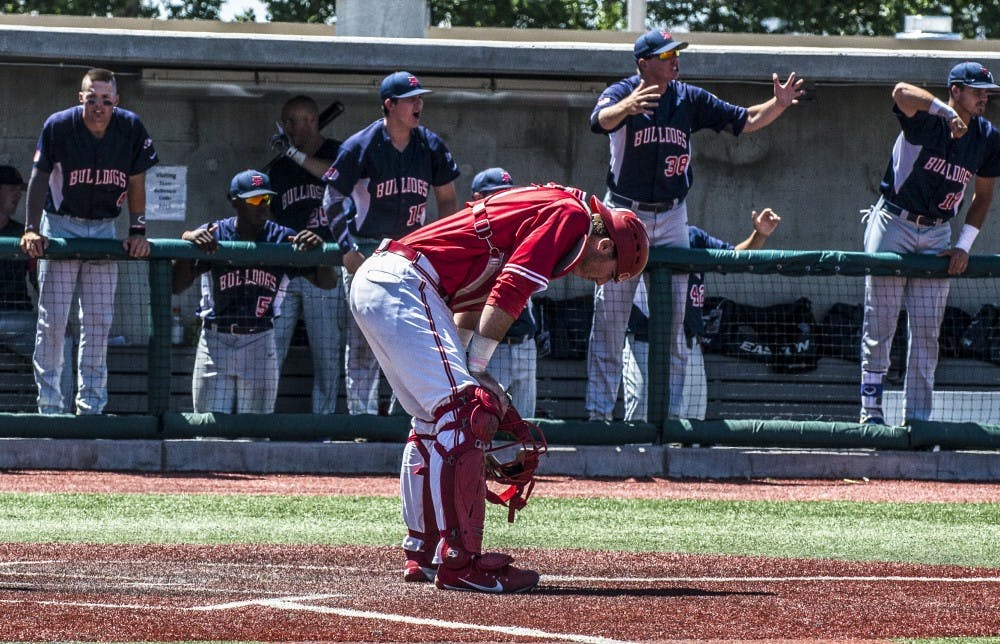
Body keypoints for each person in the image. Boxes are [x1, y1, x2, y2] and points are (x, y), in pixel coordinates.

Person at [348, 183, 648, 593]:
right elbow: (511, 287)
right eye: (612, 274)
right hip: (407, 282)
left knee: (431, 422)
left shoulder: (560, 214)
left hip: (392, 280)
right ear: (605, 246)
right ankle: (461, 561)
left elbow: (477, 297)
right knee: (464, 414)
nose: (604, 284)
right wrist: (476, 371)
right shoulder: (573, 216)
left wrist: (468, 370)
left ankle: (424, 550)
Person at [584, 29, 804, 421]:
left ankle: (670, 419)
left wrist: (780, 104)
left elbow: (746, 119)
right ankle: (599, 417)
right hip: (623, 214)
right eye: (666, 55)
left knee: (674, 328)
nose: (674, 60)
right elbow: (598, 120)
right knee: (610, 323)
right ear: (643, 63)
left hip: (671, 215)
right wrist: (628, 107)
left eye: (676, 54)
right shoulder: (622, 92)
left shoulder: (689, 98)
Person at [859, 62, 1000, 425]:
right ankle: (870, 413)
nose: (984, 96)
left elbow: (982, 196)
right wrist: (945, 111)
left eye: (986, 90)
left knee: (926, 333)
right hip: (895, 221)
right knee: (881, 325)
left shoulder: (987, 137)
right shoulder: (927, 119)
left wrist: (964, 244)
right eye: (975, 89)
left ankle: (917, 420)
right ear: (955, 90)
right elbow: (900, 91)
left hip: (938, 231)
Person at [20, 67, 158, 415]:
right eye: (91, 99)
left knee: (98, 323)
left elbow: (136, 181)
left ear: (116, 102)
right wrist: (31, 227)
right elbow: (38, 179)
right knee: (53, 322)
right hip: (61, 225)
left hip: (104, 228)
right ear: (80, 98)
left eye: (106, 100)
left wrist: (138, 230)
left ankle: (91, 407)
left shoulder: (130, 127)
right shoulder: (59, 125)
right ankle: (50, 405)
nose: (99, 106)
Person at [322, 70, 460, 415]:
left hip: (412, 251)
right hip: (368, 249)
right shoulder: (361, 145)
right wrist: (347, 251)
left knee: (414, 339)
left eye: (420, 97)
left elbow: (447, 197)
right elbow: (330, 200)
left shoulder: (429, 144)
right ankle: (363, 422)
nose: (419, 104)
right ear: (389, 104)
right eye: (411, 99)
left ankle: (409, 419)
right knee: (364, 344)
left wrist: (440, 245)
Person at [171, 169, 336, 414]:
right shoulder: (215, 234)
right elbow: (177, 285)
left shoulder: (282, 237)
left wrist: (319, 252)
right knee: (209, 432)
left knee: (256, 433)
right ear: (235, 201)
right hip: (216, 340)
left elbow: (327, 283)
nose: (263, 206)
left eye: (267, 199)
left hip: (260, 339)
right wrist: (186, 244)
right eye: (255, 200)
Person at [622, 210, 781, 422]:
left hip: (687, 341)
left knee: (692, 421)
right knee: (640, 417)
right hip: (645, 339)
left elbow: (734, 258)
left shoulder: (694, 236)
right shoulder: (636, 234)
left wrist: (759, 235)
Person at [266, 95, 344, 414]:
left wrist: (295, 154)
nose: (289, 128)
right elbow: (268, 213)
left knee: (327, 355)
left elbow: (334, 176)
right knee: (271, 352)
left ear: (312, 121)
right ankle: (261, 421)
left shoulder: (337, 153)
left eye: (294, 121)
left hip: (324, 270)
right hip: (286, 270)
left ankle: (323, 427)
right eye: (286, 122)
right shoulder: (280, 166)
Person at [471, 167, 539, 416]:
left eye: (509, 195)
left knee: (526, 426)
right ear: (479, 198)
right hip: (491, 350)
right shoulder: (472, 238)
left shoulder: (523, 234)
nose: (507, 201)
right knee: (484, 423)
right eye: (498, 195)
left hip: (525, 345)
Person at [0, 166, 37, 360]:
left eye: (19, 191)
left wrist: (57, 318)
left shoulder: (23, 235)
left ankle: (58, 392)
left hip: (17, 317)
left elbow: (38, 279)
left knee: (57, 338)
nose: (18, 195)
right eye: (11, 189)